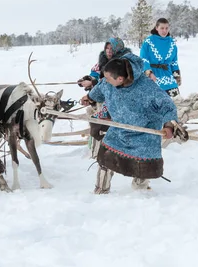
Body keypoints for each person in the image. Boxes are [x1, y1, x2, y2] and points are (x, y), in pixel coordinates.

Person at [80, 53, 188, 194]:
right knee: (105, 158)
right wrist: (89, 97)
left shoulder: (147, 88)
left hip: (144, 134)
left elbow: (168, 106)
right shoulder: (108, 83)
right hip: (118, 130)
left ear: (120, 79)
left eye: (107, 78)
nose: (104, 80)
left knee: (142, 167)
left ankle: (141, 193)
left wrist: (169, 125)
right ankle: (101, 190)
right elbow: (100, 89)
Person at [77, 38, 132, 158]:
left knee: (98, 121)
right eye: (107, 48)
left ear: (118, 49)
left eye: (111, 48)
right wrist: (88, 80)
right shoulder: (102, 61)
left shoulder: (123, 62)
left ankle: (108, 148)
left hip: (121, 98)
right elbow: (95, 74)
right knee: (95, 119)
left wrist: (93, 89)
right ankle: (96, 147)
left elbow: (110, 81)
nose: (108, 51)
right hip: (105, 96)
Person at [140, 18, 181, 97]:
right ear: (156, 28)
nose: (164, 31)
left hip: (168, 77)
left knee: (176, 103)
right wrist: (149, 74)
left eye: (166, 28)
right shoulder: (148, 41)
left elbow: (174, 62)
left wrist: (177, 76)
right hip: (153, 76)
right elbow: (143, 59)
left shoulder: (172, 42)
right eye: (162, 28)